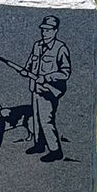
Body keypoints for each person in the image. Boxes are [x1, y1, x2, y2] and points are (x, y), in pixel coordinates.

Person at [23, 16, 71, 162]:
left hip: (49, 91)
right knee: (36, 119)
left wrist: (47, 77)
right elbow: (31, 62)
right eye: (43, 30)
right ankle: (39, 145)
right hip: (35, 89)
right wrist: (26, 70)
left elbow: (65, 72)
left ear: (55, 31)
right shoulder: (37, 46)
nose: (45, 33)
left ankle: (55, 150)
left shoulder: (60, 48)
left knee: (46, 121)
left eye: (48, 30)